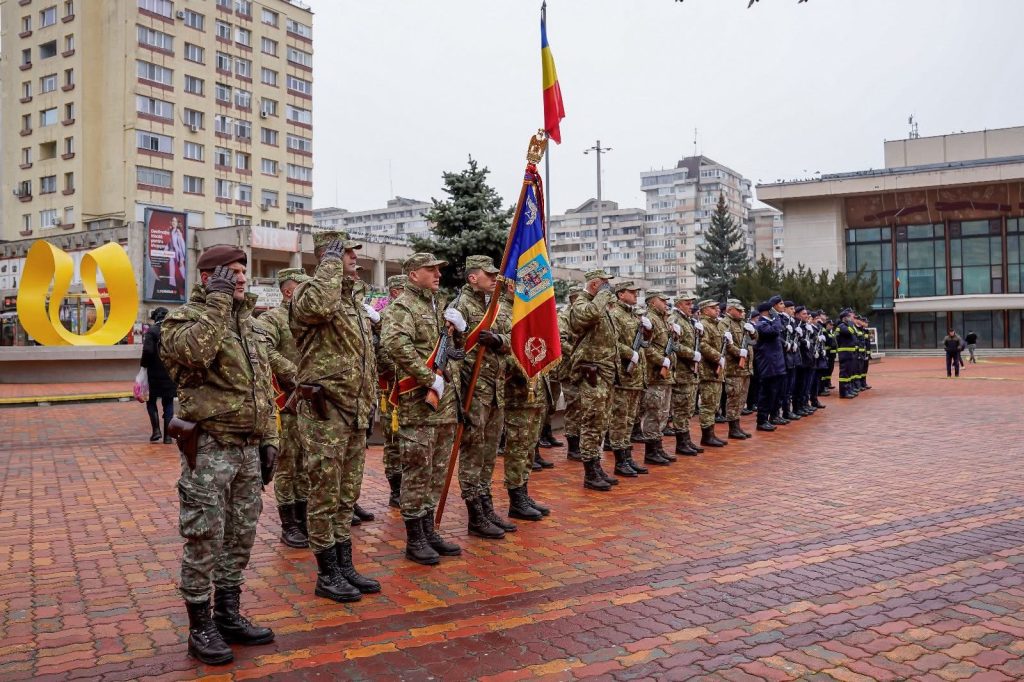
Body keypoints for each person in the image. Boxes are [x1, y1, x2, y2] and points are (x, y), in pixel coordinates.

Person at [160, 245, 277, 666]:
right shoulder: (184, 320)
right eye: (232, 272)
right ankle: (199, 625)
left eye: (244, 271)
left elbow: (263, 387)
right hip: (209, 447)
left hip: (247, 448)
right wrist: (218, 303)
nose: (242, 277)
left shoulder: (249, 324)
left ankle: (227, 613)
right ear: (209, 278)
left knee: (240, 536)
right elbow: (194, 355)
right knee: (203, 537)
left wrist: (270, 439)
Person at [288, 232, 381, 602]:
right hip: (326, 411)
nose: (353, 258)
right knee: (324, 495)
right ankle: (327, 573)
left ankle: (344, 566)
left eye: (353, 252)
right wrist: (327, 264)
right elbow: (318, 309)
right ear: (326, 257)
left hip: (354, 410)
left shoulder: (353, 299)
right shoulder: (310, 294)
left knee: (346, 495)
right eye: (344, 253)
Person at [381, 252, 467, 564]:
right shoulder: (403, 306)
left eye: (438, 270)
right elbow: (396, 346)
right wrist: (427, 377)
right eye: (431, 270)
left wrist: (462, 330)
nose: (437, 274)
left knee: (437, 471)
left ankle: (429, 530)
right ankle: (415, 538)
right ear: (413, 274)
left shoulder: (436, 305)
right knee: (417, 471)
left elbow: (455, 354)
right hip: (420, 404)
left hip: (444, 405)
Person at [452, 255, 515, 539]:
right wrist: (459, 395)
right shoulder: (459, 307)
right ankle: (474, 513)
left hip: (495, 391)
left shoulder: (494, 305)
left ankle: (486, 505)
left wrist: (499, 341)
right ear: (472, 277)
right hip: (473, 392)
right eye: (488, 275)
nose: (494, 279)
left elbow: (512, 339)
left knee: (489, 452)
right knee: (473, 453)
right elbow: (451, 353)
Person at [254, 268, 309, 549]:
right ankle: (290, 523)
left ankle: (304, 517)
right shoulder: (272, 319)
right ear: (289, 291)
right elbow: (262, 348)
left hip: (311, 402)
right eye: (303, 287)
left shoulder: (310, 318)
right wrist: (295, 373)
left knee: (307, 464)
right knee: (288, 464)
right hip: (287, 400)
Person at [567, 269, 619, 491]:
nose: (610, 289)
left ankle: (596, 466)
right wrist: (603, 295)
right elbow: (589, 316)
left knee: (601, 422)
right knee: (591, 422)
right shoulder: (581, 303)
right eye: (605, 285)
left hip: (605, 372)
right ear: (595, 285)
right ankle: (589, 472)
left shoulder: (599, 305)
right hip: (592, 372)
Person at [607, 281, 650, 475]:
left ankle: (627, 457)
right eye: (632, 293)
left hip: (635, 376)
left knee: (630, 419)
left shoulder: (633, 314)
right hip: (624, 375)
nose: (635, 296)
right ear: (621, 294)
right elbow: (612, 341)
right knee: (619, 420)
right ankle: (619, 461)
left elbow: (645, 343)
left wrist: (648, 330)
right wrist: (628, 353)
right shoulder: (615, 314)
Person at [377, 275, 407, 508]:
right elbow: (383, 353)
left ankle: (407, 486)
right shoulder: (386, 317)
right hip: (393, 390)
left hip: (411, 388)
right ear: (396, 292)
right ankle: (396, 489)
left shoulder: (407, 314)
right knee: (394, 440)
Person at [639, 290, 677, 465]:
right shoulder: (650, 320)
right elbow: (646, 346)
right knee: (653, 413)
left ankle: (658, 447)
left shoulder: (663, 319)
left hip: (665, 375)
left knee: (663, 413)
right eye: (662, 301)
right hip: (654, 375)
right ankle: (651, 451)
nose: (666, 303)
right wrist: (661, 360)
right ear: (652, 302)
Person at [669, 294, 703, 456]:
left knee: (688, 407)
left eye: (691, 304)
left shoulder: (688, 320)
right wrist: (691, 354)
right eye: (687, 304)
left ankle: (686, 439)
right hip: (681, 371)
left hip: (690, 371)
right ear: (679, 305)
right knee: (681, 408)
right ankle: (681, 442)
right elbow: (674, 344)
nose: (691, 307)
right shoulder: (674, 319)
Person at [141, 307, 176, 444]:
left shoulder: (152, 331)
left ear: (155, 317)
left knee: (151, 401)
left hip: (154, 373)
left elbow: (148, 351)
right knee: (168, 402)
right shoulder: (173, 331)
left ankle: (156, 431)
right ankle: (168, 437)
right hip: (170, 372)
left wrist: (143, 366)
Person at [722, 299, 756, 439]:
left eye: (743, 310)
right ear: (730, 310)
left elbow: (754, 340)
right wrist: (738, 352)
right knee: (733, 398)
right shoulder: (725, 323)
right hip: (734, 368)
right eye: (739, 310)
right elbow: (726, 344)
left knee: (741, 399)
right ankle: (732, 428)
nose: (742, 313)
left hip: (745, 368)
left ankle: (737, 425)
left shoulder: (742, 323)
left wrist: (753, 332)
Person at [697, 299, 728, 447]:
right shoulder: (704, 325)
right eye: (713, 308)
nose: (717, 310)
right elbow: (703, 345)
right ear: (704, 310)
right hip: (708, 370)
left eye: (717, 307)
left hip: (717, 371)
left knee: (714, 404)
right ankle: (706, 435)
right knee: (708, 404)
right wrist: (718, 357)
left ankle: (711, 434)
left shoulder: (716, 325)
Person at [753, 301, 785, 431]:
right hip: (768, 365)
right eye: (772, 310)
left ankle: (770, 417)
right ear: (767, 311)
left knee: (774, 393)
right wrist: (777, 317)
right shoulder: (761, 324)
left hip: (776, 364)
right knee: (766, 393)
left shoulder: (769, 323)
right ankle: (761, 420)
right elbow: (775, 331)